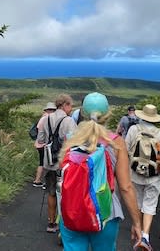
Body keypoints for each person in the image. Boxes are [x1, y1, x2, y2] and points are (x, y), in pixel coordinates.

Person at [58, 92, 142, 250]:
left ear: (82, 113)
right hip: (105, 212)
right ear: (108, 115)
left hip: (71, 210)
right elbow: (125, 187)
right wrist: (137, 223)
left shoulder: (70, 139)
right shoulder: (116, 142)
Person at [125, 104, 160, 251]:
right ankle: (145, 237)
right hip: (153, 176)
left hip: (135, 174)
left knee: (137, 203)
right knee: (149, 206)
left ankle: (137, 233)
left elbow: (125, 149)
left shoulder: (134, 130)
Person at [36, 93, 77, 233]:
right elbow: (74, 142)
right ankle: (64, 226)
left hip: (49, 162)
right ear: (64, 105)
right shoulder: (69, 121)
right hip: (64, 163)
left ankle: (51, 222)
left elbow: (40, 140)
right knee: (66, 194)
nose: (71, 108)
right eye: (70, 105)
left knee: (51, 192)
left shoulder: (46, 119)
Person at [32, 102, 57, 187]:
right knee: (47, 163)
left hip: (39, 144)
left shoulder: (43, 118)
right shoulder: (49, 119)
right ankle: (44, 182)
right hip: (44, 144)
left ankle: (37, 180)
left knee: (41, 162)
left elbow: (38, 129)